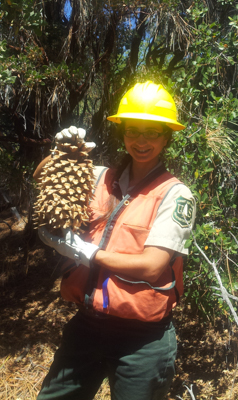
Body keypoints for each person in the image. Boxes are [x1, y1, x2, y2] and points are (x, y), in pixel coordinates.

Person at [35, 81, 196, 400]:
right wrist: (63, 151)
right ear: (122, 132)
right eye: (133, 130)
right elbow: (43, 176)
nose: (141, 140)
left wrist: (86, 253)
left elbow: (152, 267)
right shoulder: (99, 176)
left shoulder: (176, 195)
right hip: (88, 325)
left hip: (142, 341)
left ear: (166, 136)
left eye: (152, 132)